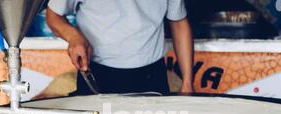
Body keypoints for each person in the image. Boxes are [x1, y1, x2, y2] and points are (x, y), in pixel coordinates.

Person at [46, 0, 194, 95]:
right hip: (97, 74)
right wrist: (73, 36)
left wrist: (187, 83)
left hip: (152, 76)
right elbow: (53, 15)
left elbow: (179, 22)